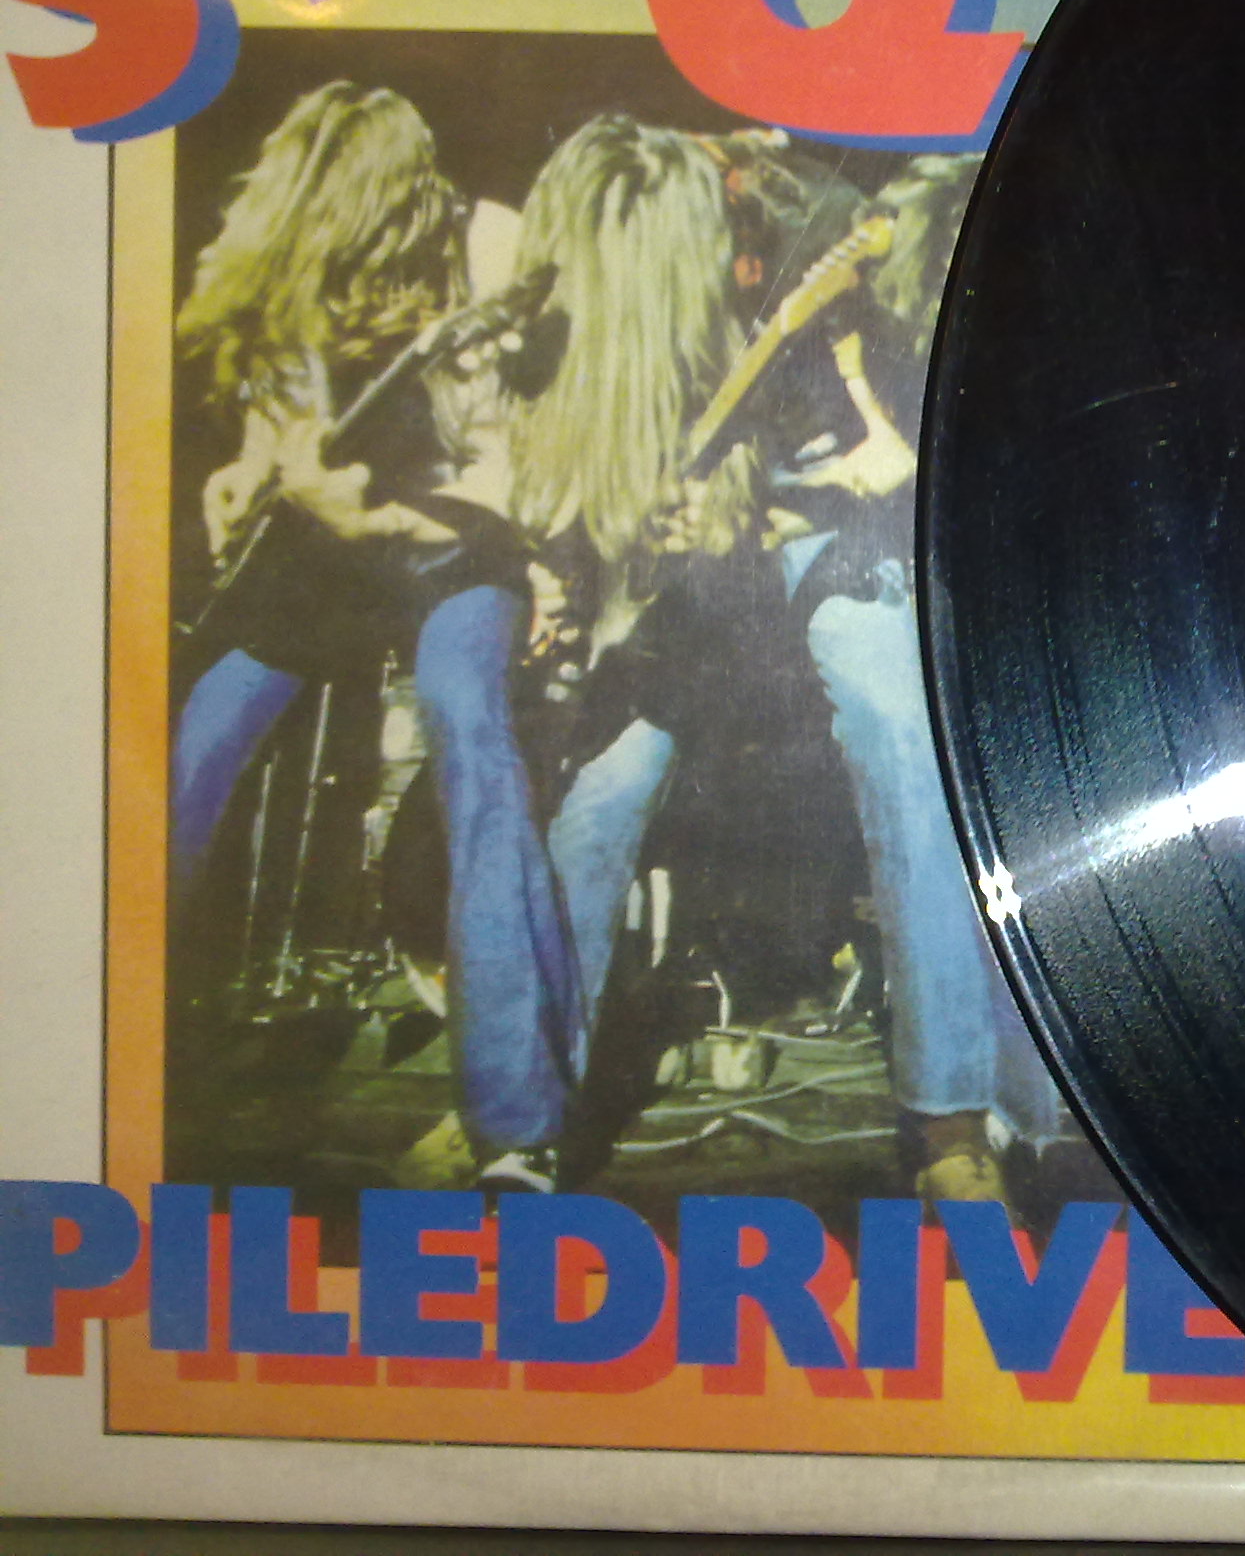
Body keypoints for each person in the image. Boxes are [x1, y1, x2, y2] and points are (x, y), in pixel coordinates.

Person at [513, 120, 1066, 1206]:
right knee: (600, 792)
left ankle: (952, 1117)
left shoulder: (824, 227)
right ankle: (520, 1115)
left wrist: (809, 489)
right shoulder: (617, 241)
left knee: (903, 731)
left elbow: (907, 454)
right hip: (699, 564)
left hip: (825, 534)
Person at [167, 80, 561, 1191]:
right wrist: (248, 470)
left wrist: (395, 520)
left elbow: (527, 459)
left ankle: (516, 1125)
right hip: (328, 543)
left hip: (452, 540)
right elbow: (284, 417)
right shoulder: (302, 254)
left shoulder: (487, 246)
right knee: (193, 748)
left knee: (469, 727)